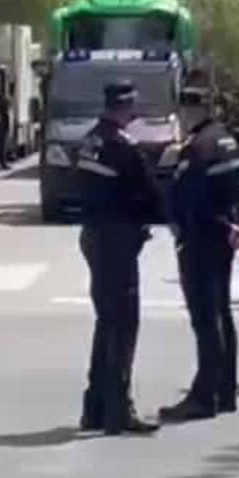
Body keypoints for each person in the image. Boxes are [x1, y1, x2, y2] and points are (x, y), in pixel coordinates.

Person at [75, 80, 163, 436]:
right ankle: (117, 409)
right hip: (117, 239)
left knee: (105, 321)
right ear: (125, 107)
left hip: (94, 235)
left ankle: (95, 407)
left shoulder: (90, 141)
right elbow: (149, 195)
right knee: (123, 325)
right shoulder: (123, 148)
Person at [159, 87, 239, 423]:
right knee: (222, 312)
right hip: (223, 235)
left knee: (206, 318)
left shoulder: (197, 147)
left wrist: (179, 227)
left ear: (190, 111)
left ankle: (203, 395)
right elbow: (234, 192)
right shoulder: (227, 140)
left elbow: (188, 197)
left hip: (201, 238)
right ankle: (226, 391)